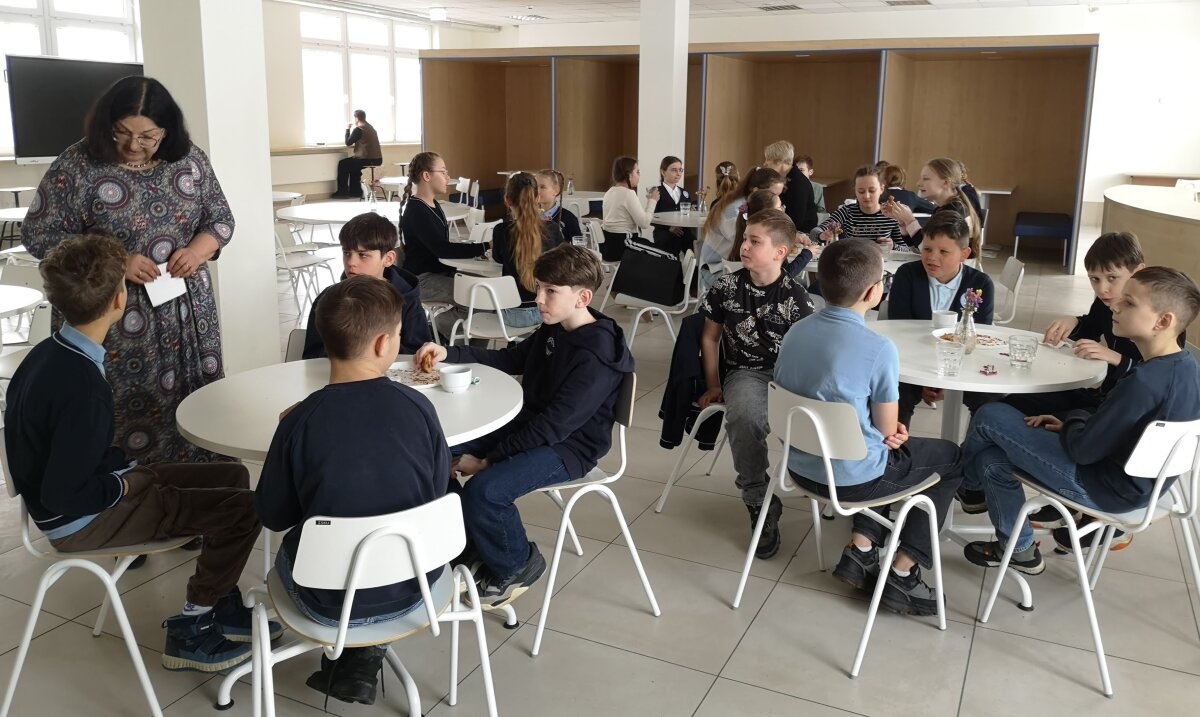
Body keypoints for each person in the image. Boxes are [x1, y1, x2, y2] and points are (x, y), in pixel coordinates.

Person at [3, 235, 269, 672]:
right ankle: (193, 626)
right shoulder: (84, 389)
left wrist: (125, 472)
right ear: (119, 299)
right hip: (79, 520)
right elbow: (63, 493)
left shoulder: (48, 353)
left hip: (81, 494)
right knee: (247, 509)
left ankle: (220, 598)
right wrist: (125, 484)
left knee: (232, 476)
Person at [258, 276, 449, 705]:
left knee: (307, 540)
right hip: (416, 586)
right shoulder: (420, 407)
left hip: (324, 602)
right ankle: (362, 654)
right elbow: (435, 494)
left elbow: (273, 515)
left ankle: (355, 655)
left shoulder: (299, 422)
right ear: (384, 344)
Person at [22, 76, 234, 464]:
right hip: (107, 312)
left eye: (147, 136)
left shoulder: (190, 160)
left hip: (186, 312)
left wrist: (196, 251)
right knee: (115, 412)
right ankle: (124, 492)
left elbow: (220, 219)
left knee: (194, 406)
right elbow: (39, 235)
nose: (134, 145)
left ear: (166, 130)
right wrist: (117, 260)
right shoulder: (77, 164)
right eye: (122, 132)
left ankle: (194, 487)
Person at [413, 245, 634, 607]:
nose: (539, 299)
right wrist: (450, 353)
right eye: (539, 288)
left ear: (583, 298)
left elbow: (555, 427)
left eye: (551, 291)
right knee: (434, 453)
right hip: (532, 426)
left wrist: (488, 461)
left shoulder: (596, 355)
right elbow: (510, 358)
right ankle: (470, 546)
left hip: (570, 448)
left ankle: (517, 564)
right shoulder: (555, 326)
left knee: (486, 491)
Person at [961, 267, 1200, 575]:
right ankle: (1019, 549)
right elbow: (1121, 432)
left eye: (1129, 303)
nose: (1115, 306)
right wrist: (1072, 424)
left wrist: (1073, 419)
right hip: (1146, 489)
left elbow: (1083, 451)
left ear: (1163, 321)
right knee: (991, 460)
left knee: (990, 415)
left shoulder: (1142, 382)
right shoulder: (1187, 368)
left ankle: (964, 484)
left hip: (1103, 487)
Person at [774, 239, 965, 615]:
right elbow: (888, 428)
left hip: (800, 467)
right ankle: (904, 572)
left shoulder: (795, 331)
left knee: (877, 447)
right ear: (873, 292)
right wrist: (894, 429)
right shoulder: (878, 348)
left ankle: (861, 549)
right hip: (851, 480)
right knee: (950, 457)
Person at [698, 209, 815, 559]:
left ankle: (824, 485)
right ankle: (758, 499)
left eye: (754, 241)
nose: (744, 246)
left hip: (789, 374)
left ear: (780, 252)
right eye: (745, 238)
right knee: (745, 417)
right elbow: (709, 338)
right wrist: (714, 384)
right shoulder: (726, 286)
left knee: (821, 418)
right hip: (746, 372)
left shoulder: (796, 296)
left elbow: (808, 354)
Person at [886, 211, 995, 427]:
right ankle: (896, 447)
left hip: (961, 365)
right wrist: (923, 377)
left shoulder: (981, 284)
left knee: (990, 402)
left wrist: (948, 380)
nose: (932, 257)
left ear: (964, 254)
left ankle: (975, 446)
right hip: (912, 362)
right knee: (895, 395)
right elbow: (899, 330)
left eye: (943, 251)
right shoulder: (907, 275)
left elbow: (978, 338)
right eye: (927, 249)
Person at [438, 172, 563, 337]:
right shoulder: (553, 229)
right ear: (537, 198)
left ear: (507, 200)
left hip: (511, 316)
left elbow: (497, 258)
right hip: (547, 312)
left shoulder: (501, 231)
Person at [303, 212, 431, 359]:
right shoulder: (328, 299)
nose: (351, 262)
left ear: (388, 259)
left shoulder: (408, 299)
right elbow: (312, 356)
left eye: (363, 255)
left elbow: (419, 354)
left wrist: (369, 346)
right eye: (346, 253)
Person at [398, 151, 486, 305]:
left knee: (487, 287)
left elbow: (442, 247)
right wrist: (484, 247)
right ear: (427, 176)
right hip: (422, 280)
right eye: (443, 172)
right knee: (482, 295)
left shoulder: (433, 204)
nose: (448, 177)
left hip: (441, 272)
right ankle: (441, 321)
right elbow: (443, 249)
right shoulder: (417, 211)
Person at [699, 166, 785, 294]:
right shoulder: (735, 209)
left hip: (733, 269)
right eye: (774, 194)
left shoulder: (752, 206)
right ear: (756, 191)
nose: (777, 199)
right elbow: (746, 242)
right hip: (716, 270)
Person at [881, 157, 980, 256]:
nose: (918, 183)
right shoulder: (941, 209)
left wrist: (909, 220)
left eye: (926, 179)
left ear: (945, 182)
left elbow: (927, 249)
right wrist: (902, 221)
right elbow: (916, 248)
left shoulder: (954, 211)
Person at [727, 188, 813, 280]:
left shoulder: (743, 231)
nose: (783, 210)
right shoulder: (762, 247)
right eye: (779, 207)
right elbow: (785, 275)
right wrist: (807, 254)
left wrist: (789, 239)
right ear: (768, 213)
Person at [813, 165, 903, 249]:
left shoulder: (890, 214)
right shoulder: (847, 211)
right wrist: (822, 235)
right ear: (855, 191)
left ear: (881, 189)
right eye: (861, 191)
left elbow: (906, 248)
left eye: (872, 191)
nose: (866, 196)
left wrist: (893, 246)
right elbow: (814, 233)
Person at [600, 156, 659, 262]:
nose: (639, 175)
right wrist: (652, 201)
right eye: (637, 172)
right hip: (624, 245)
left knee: (654, 247)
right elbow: (644, 223)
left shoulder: (609, 192)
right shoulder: (628, 193)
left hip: (609, 246)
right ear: (629, 175)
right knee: (670, 256)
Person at [763, 140, 818, 233]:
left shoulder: (798, 183)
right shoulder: (787, 177)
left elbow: (795, 221)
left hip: (801, 234)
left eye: (768, 159)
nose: (765, 163)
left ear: (779, 161)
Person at [332, 109, 382, 199]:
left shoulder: (359, 129)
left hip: (367, 159)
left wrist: (347, 129)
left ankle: (342, 192)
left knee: (343, 164)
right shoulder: (371, 127)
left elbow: (348, 142)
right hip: (378, 159)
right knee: (354, 166)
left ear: (357, 118)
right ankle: (355, 191)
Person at [651, 155, 693, 256]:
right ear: (663, 172)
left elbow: (688, 215)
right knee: (670, 250)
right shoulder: (656, 191)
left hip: (684, 233)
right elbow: (650, 216)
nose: (678, 173)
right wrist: (669, 228)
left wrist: (692, 213)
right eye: (674, 170)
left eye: (680, 170)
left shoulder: (685, 193)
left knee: (695, 248)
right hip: (664, 233)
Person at [536, 168, 582, 242]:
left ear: (556, 190)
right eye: (535, 186)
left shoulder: (568, 218)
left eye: (542, 187)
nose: (537, 191)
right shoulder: (529, 215)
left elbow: (578, 244)